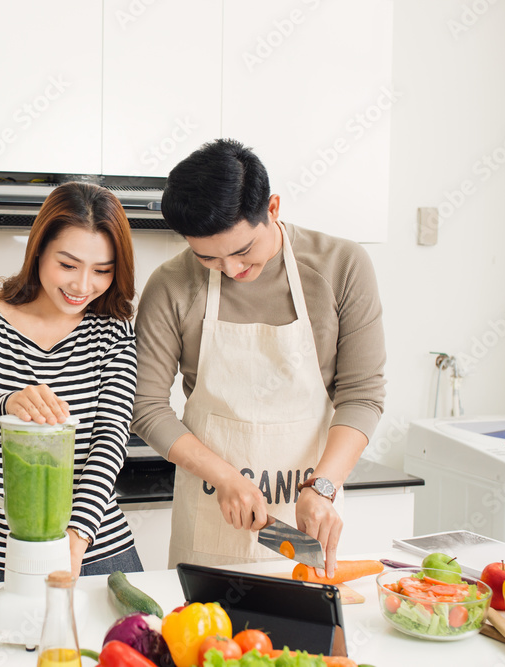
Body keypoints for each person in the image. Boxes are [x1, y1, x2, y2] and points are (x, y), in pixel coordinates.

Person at [131, 139, 386, 577]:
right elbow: (146, 407)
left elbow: (362, 395)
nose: (231, 270)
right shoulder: (171, 284)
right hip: (211, 517)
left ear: (272, 207)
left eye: (243, 250)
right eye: (207, 257)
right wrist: (226, 477)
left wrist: (322, 487)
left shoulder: (342, 265)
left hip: (309, 514)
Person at [0, 181, 143, 585]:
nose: (82, 285)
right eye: (68, 265)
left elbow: (110, 439)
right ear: (38, 250)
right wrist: (10, 403)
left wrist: (74, 539)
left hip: (95, 551)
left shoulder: (113, 331)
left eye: (102, 270)